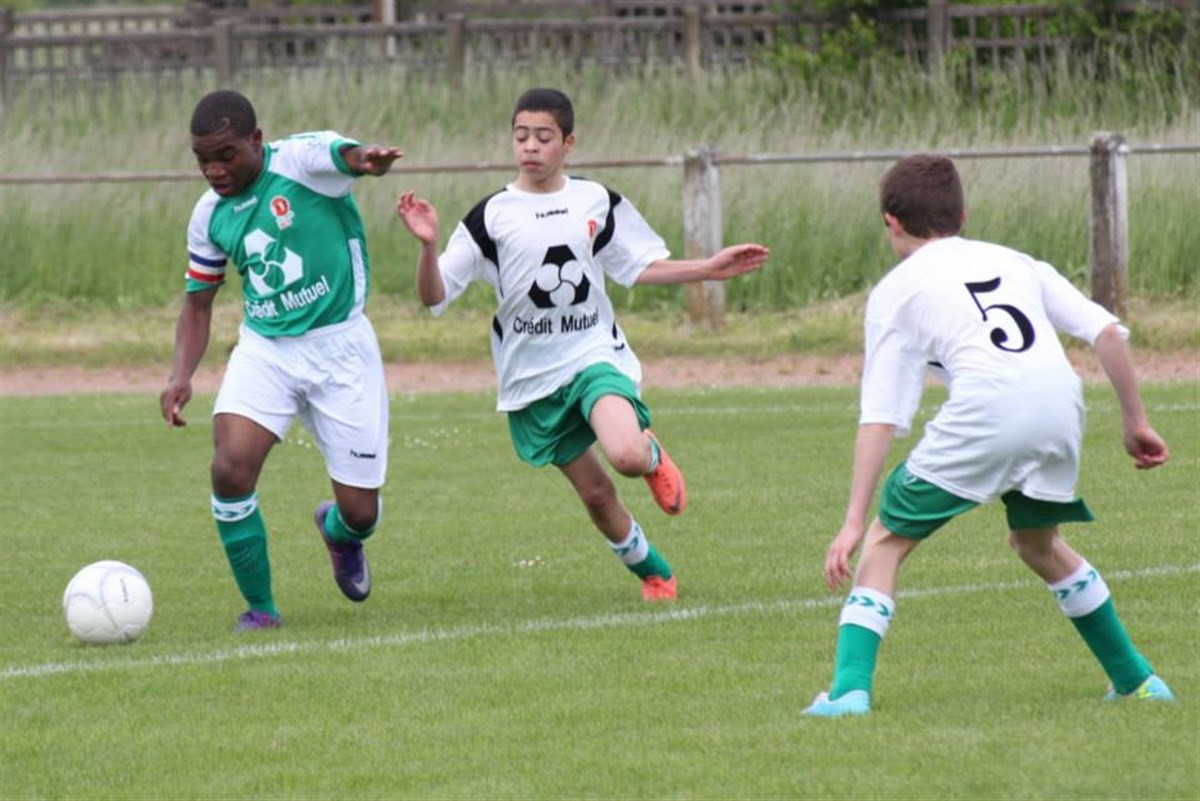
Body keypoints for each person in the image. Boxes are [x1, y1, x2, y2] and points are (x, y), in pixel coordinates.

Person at [802, 154, 1174, 717]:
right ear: (963, 216)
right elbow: (1106, 331)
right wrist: (1135, 422)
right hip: (1060, 405)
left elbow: (882, 414)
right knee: (1037, 545)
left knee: (884, 541)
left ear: (891, 223)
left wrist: (853, 519)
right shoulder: (1015, 261)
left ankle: (848, 692)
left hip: (988, 408)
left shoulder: (896, 291)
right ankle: (1138, 681)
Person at [396, 87, 769, 601]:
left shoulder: (595, 200)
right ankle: (655, 573)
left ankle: (650, 454)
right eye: (521, 136)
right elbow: (433, 296)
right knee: (596, 494)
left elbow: (639, 266)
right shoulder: (490, 216)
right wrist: (428, 246)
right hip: (532, 378)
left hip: (593, 355)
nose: (530, 146)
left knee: (626, 456)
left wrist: (707, 268)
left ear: (568, 143)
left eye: (543, 137)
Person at [160, 89, 403, 632]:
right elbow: (198, 304)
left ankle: (339, 533)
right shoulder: (209, 216)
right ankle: (261, 610)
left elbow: (346, 156)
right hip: (266, 350)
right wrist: (180, 375)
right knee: (229, 468)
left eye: (226, 155)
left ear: (257, 140)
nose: (214, 170)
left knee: (361, 512)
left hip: (341, 349)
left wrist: (367, 161)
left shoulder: (300, 161)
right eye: (203, 160)